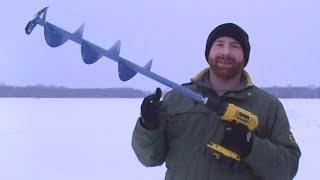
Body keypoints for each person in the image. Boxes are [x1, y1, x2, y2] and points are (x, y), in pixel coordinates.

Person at [131, 23, 301, 180]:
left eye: (234, 46)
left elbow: (287, 169)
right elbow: (150, 158)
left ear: (245, 56)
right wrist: (149, 126)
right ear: (209, 52)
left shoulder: (268, 106)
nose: (226, 52)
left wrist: (251, 147)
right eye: (219, 44)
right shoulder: (177, 98)